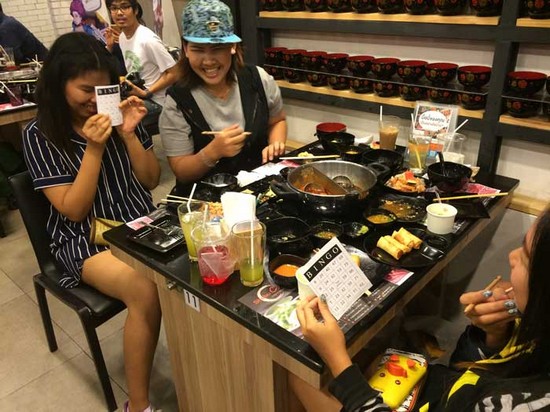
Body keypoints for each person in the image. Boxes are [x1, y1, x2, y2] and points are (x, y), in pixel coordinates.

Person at [22, 32, 161, 412]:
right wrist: (95, 148)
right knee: (145, 290)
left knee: (196, 266)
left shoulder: (118, 113)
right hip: (85, 240)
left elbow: (151, 180)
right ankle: (138, 405)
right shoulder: (40, 134)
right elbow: (73, 210)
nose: (96, 100)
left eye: (104, 89)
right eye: (85, 90)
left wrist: (129, 135)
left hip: (140, 222)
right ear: (59, 83)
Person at [293, 207, 550, 411]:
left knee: (298, 375)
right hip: (444, 390)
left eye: (526, 257)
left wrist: (337, 360)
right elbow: (467, 370)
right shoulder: (539, 336)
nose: (512, 257)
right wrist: (495, 334)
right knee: (370, 356)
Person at [159, 0, 287, 196]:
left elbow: (277, 120)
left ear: (232, 46)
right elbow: (182, 172)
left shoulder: (258, 79)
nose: (208, 61)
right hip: (205, 201)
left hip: (258, 190)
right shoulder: (177, 101)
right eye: (198, 49)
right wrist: (212, 152)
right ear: (185, 49)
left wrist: (275, 144)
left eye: (217, 48)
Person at [105, 0, 177, 115]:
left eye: (125, 7)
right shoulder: (123, 37)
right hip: (138, 95)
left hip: (158, 101)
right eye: (114, 8)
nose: (119, 13)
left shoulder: (148, 40)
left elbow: (174, 73)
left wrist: (146, 92)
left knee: (118, 115)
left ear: (136, 10)